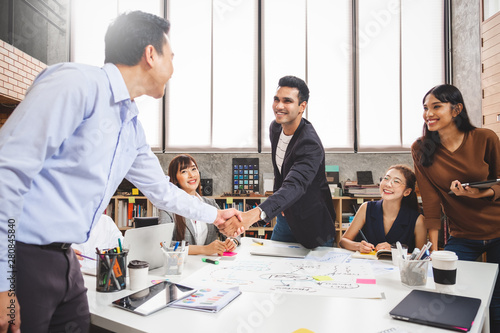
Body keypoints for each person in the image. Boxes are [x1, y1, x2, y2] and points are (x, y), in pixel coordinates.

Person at [0, 11, 241, 333]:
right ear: (150, 54)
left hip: (68, 260)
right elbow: (7, 172)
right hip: (24, 258)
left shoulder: (130, 127)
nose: (173, 68)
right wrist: (3, 280)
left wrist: (217, 217)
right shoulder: (75, 83)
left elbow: (162, 190)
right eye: (172, 56)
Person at [411, 84, 500, 331]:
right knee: (445, 292)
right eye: (425, 108)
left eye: (436, 106)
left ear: (456, 109)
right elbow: (430, 202)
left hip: (498, 226)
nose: (428, 113)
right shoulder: (421, 149)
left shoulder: (485, 138)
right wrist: (435, 249)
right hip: (463, 234)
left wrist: (481, 192)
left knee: (497, 304)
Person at [220, 76, 336, 249]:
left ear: (301, 107)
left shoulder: (310, 144)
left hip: (312, 224)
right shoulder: (275, 128)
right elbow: (281, 172)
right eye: (277, 99)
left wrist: (252, 215)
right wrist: (279, 203)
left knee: (314, 274)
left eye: (287, 101)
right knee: (274, 268)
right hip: (285, 217)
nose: (279, 106)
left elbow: (295, 185)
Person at [159, 155, 239, 255]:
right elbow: (163, 243)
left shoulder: (210, 204)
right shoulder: (167, 208)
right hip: (183, 266)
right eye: (184, 171)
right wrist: (204, 249)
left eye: (193, 169)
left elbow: (231, 230)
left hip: (210, 265)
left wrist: (232, 241)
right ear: (175, 178)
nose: (191, 175)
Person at [339, 165, 426, 253]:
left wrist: (395, 251)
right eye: (386, 178)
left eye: (396, 181)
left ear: (407, 192)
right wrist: (358, 246)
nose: (388, 184)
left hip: (399, 266)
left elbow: (421, 257)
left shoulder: (418, 220)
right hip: (368, 265)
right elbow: (343, 241)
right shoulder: (366, 208)